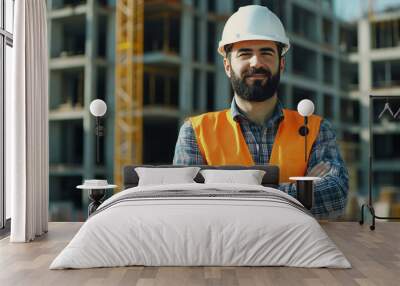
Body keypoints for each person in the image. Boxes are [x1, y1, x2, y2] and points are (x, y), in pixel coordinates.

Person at [173, 5, 348, 218]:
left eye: (266, 53)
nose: (256, 62)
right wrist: (303, 193)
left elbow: (335, 197)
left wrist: (226, 195)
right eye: (245, 54)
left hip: (294, 250)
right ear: (227, 66)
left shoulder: (316, 129)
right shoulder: (195, 132)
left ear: (281, 64)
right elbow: (188, 205)